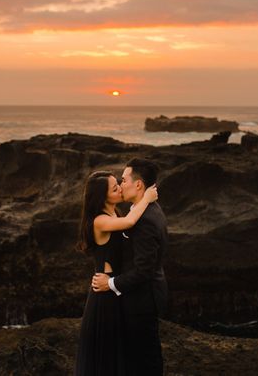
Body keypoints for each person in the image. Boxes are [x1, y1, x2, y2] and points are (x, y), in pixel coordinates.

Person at [75, 170, 158, 376]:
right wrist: (145, 198)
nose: (120, 188)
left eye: (118, 183)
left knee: (120, 355)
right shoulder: (99, 221)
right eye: (115, 188)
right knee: (106, 358)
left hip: (115, 289)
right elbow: (130, 222)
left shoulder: (115, 214)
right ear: (103, 197)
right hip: (104, 296)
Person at [92, 158, 169, 376]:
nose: (120, 183)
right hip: (140, 297)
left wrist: (111, 283)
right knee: (140, 356)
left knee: (146, 359)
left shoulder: (144, 220)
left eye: (124, 180)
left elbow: (144, 270)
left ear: (138, 185)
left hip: (143, 299)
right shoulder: (141, 211)